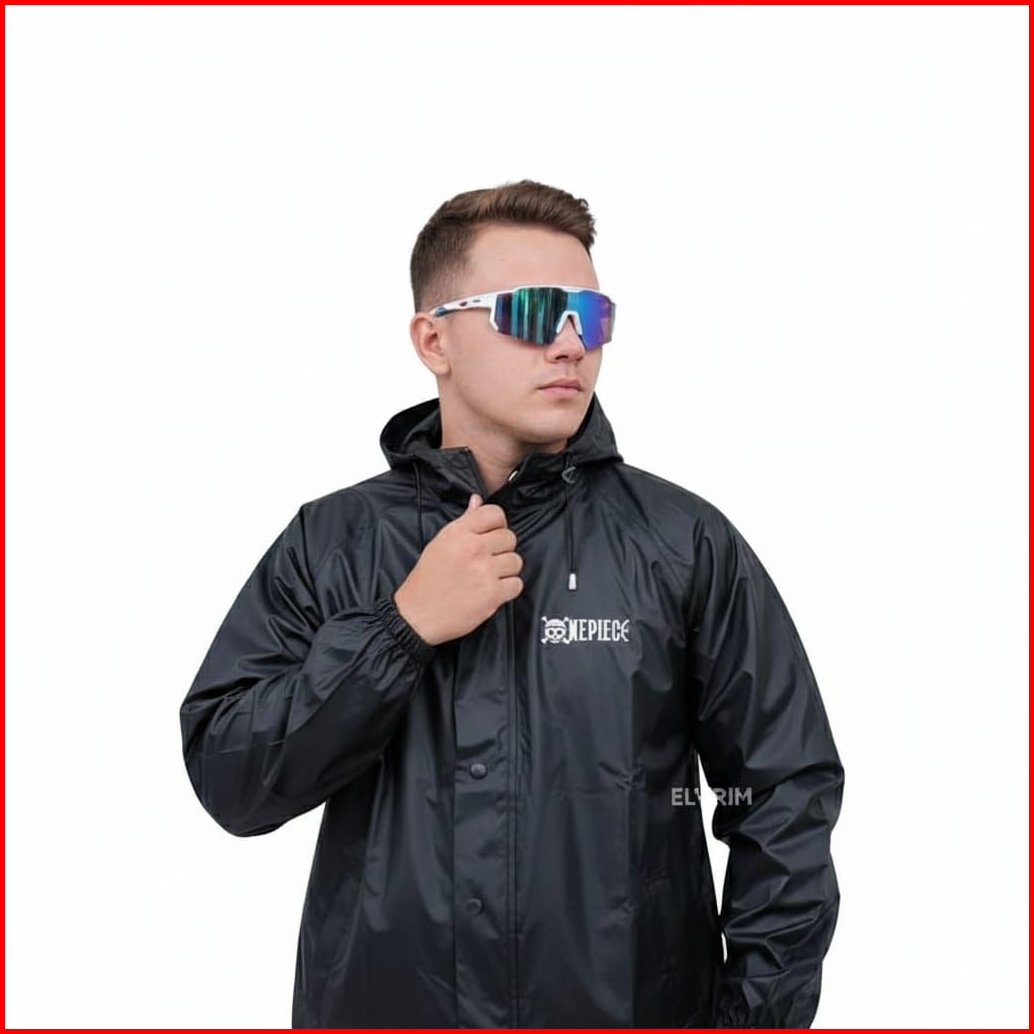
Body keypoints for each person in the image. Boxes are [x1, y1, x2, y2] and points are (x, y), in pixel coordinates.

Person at [179, 180, 844, 1028]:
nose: (570, 343)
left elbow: (782, 794)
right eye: (531, 312)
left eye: (590, 316)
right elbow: (232, 779)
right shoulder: (333, 544)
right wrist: (399, 631)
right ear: (434, 340)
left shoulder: (682, 544)